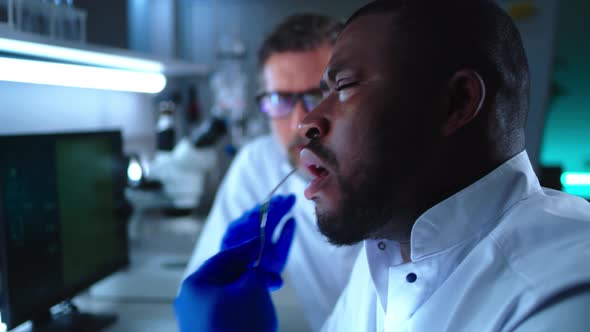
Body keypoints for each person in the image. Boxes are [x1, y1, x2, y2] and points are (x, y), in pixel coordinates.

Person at [176, 0, 590, 331]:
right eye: (284, 100)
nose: (305, 122)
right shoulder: (389, 245)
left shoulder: (559, 297)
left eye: (345, 86)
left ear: (457, 102)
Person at [183, 13, 360, 331]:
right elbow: (204, 286)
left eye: (318, 95)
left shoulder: (392, 169)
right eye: (280, 100)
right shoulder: (260, 164)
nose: (301, 124)